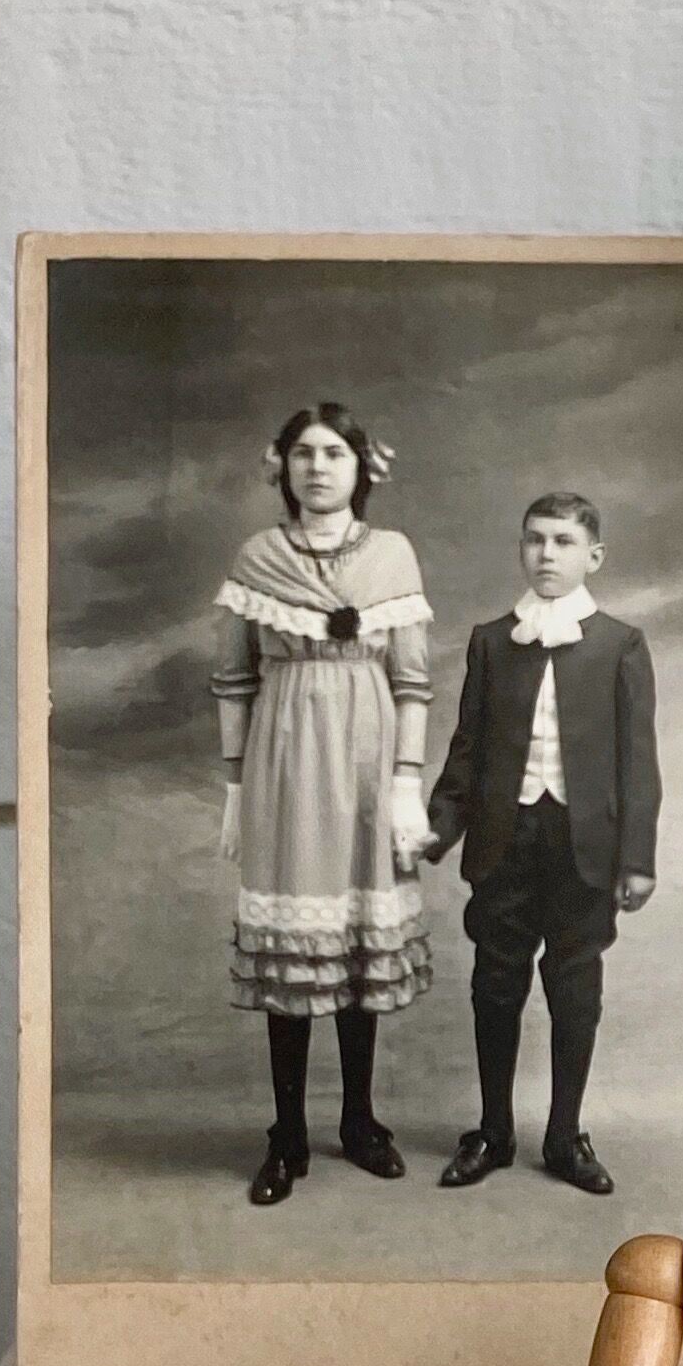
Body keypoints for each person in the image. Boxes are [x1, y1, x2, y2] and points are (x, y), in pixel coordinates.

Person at [212, 405, 435, 1206]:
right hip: (285, 760)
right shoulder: (257, 557)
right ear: (281, 466)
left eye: (333, 453)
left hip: (369, 756)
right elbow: (235, 679)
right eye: (303, 453)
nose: (318, 467)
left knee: (353, 946)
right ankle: (287, 1135)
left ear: (361, 467)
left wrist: (405, 783)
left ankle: (360, 1120)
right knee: (293, 957)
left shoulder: (392, 556)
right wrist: (236, 786)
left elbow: (412, 681)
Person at [425, 492, 659, 1196]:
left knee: (574, 988)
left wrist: (638, 859)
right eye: (534, 540)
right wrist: (436, 829)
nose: (547, 555)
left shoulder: (620, 644)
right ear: (521, 550)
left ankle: (565, 1135)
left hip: (583, 847)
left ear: (593, 556)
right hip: (505, 841)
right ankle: (494, 1130)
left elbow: (637, 761)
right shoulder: (494, 642)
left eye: (562, 542)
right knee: (495, 986)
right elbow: (466, 750)